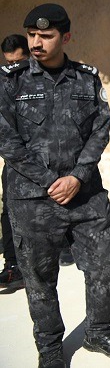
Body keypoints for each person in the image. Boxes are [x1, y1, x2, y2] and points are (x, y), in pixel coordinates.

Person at [0, 4, 110, 368]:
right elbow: (7, 141)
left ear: (66, 37)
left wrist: (77, 176)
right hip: (33, 199)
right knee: (40, 278)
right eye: (32, 35)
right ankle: (50, 350)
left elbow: (100, 128)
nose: (36, 43)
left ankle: (98, 332)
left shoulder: (86, 79)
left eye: (46, 36)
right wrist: (51, 182)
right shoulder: (10, 81)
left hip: (86, 195)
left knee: (103, 264)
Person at [0, 34, 29, 289]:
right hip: (13, 160)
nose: (14, 68)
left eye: (19, 62)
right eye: (9, 63)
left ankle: (65, 247)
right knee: (9, 211)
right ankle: (12, 266)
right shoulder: (3, 80)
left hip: (45, 158)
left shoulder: (45, 78)